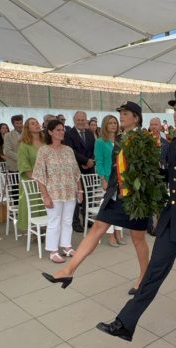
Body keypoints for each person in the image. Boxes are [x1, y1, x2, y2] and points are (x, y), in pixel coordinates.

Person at [95, 88, 176, 342]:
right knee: (154, 271)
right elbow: (169, 177)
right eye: (174, 110)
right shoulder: (174, 144)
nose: (175, 114)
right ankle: (125, 323)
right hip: (172, 219)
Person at [43, 101, 152, 295]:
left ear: (136, 117)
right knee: (97, 229)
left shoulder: (143, 138)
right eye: (121, 113)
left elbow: (148, 170)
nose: (121, 116)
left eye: (126, 113)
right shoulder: (119, 138)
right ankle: (68, 270)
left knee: (138, 239)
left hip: (136, 198)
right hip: (115, 195)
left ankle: (144, 276)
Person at [32, 120, 82, 263]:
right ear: (50, 132)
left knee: (67, 221)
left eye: (62, 130)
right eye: (58, 130)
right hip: (53, 192)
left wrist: (80, 190)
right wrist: (45, 196)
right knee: (54, 221)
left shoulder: (68, 150)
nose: (62, 132)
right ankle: (53, 251)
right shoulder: (44, 150)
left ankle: (66, 246)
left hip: (69, 191)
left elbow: (75, 172)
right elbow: (39, 175)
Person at [94, 115, 125, 247]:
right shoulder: (100, 142)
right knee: (110, 207)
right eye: (110, 123)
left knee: (120, 207)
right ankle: (111, 235)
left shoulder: (121, 140)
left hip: (122, 179)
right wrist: (103, 179)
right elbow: (99, 162)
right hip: (108, 178)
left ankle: (118, 233)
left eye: (115, 123)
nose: (113, 125)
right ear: (105, 125)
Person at [63, 111, 95, 233]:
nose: (81, 122)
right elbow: (71, 151)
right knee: (77, 198)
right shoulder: (69, 134)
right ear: (74, 120)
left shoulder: (90, 133)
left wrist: (91, 161)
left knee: (89, 196)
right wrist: (85, 161)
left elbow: (93, 149)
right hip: (76, 169)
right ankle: (75, 222)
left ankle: (88, 219)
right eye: (78, 120)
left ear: (86, 120)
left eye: (83, 120)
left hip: (89, 168)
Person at [17, 118, 45, 231]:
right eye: (33, 124)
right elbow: (24, 165)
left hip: (46, 180)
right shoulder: (24, 144)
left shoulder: (45, 143)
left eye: (37, 122)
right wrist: (37, 179)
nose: (37, 125)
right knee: (34, 205)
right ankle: (34, 231)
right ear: (27, 128)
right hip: (31, 181)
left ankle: (46, 228)